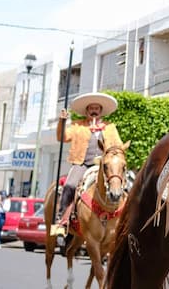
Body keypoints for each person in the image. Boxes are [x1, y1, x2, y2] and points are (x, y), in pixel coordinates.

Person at [54, 92, 122, 236]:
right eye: (91, 108)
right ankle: (62, 220)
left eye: (97, 108)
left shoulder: (110, 127)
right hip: (82, 163)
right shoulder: (78, 125)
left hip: (104, 165)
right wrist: (62, 121)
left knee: (123, 185)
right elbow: (62, 137)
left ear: (101, 111)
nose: (94, 110)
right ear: (87, 111)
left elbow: (118, 145)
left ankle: (123, 219)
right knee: (70, 185)